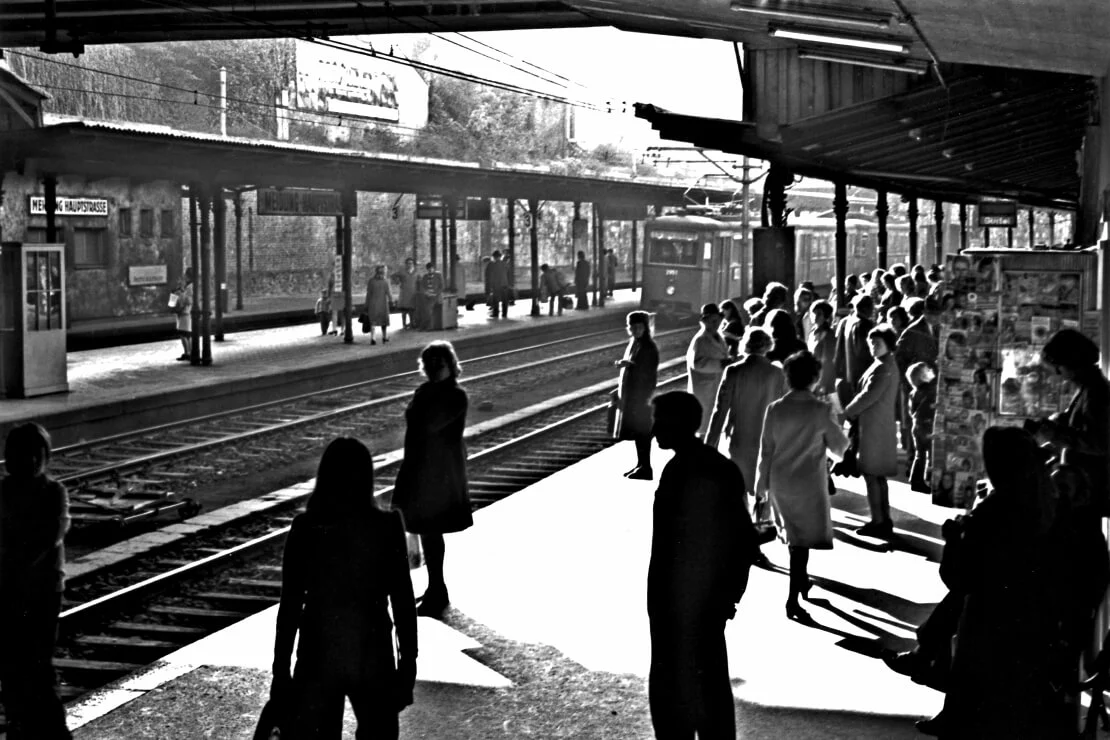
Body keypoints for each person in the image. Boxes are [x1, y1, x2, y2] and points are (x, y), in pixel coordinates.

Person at [928, 427, 1107, 739]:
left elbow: (959, 577)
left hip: (988, 623)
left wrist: (954, 540)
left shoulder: (996, 510)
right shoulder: (1049, 507)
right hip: (1034, 628)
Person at [272, 437, 417, 739]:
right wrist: (408, 665)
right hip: (372, 650)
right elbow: (403, 600)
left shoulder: (305, 527)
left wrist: (281, 671)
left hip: (317, 652)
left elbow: (290, 605)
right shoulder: (387, 526)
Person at [647, 391, 759, 740]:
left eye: (659, 421)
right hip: (705, 599)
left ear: (678, 423)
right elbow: (743, 539)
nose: (654, 430)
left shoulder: (682, 471)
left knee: (675, 689)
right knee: (708, 682)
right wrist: (730, 596)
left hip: (679, 600)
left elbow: (734, 539)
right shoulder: (718, 467)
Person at [755, 351, 849, 622]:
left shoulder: (775, 409)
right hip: (808, 483)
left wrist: (761, 486)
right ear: (815, 378)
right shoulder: (821, 409)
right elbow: (839, 449)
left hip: (780, 482)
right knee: (802, 543)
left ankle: (800, 584)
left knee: (793, 540)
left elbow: (766, 451)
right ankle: (793, 598)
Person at [0, 423, 72, 740]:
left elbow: (45, 540)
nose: (27, 460)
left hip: (38, 591)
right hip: (23, 590)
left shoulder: (53, 493)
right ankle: (27, 726)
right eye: (21, 453)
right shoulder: (47, 493)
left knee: (33, 665)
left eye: (33, 454)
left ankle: (48, 730)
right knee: (20, 665)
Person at [391, 341, 471, 617]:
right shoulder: (426, 391)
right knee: (426, 529)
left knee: (432, 529)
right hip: (420, 467)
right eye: (429, 364)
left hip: (440, 472)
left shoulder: (455, 396)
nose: (434, 369)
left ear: (451, 365)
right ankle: (434, 588)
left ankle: (438, 588)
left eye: (440, 364)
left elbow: (427, 424)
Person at [706, 327, 785, 536]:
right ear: (768, 345)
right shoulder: (778, 373)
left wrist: (709, 444)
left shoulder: (733, 371)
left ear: (746, 345)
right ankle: (761, 531)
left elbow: (720, 410)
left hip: (740, 438)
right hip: (770, 440)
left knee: (739, 487)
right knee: (764, 487)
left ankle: (742, 533)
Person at [1033, 328, 1110, 513]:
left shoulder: (1096, 393)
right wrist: (1060, 420)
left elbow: (1100, 442)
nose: (1059, 374)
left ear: (1071, 362)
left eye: (1059, 368)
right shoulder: (1087, 388)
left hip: (1088, 490)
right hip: (1082, 486)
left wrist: (1056, 434)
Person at [843, 324, 900, 538]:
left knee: (872, 475)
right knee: (877, 476)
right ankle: (882, 518)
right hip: (876, 426)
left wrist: (848, 412)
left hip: (874, 427)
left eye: (877, 343)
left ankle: (878, 520)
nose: (872, 346)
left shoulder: (883, 367)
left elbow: (869, 395)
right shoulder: (883, 363)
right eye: (871, 342)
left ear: (888, 344)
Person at [614, 311, 659, 480]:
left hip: (642, 397)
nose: (635, 330)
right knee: (639, 433)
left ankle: (646, 467)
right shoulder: (636, 343)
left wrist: (630, 366)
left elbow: (648, 373)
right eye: (632, 327)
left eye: (639, 327)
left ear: (645, 328)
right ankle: (641, 465)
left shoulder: (648, 347)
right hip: (634, 396)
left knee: (642, 432)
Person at [685, 303, 730, 439]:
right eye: (713, 321)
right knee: (704, 424)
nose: (716, 324)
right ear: (705, 322)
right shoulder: (700, 340)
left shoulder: (717, 336)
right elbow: (697, 364)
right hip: (704, 387)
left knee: (711, 422)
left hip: (714, 383)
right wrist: (721, 363)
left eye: (718, 321)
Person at [833, 293, 875, 403]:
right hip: (863, 371)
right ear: (867, 308)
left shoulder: (848, 322)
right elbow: (863, 351)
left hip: (851, 372)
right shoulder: (864, 324)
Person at [906, 362, 937, 493]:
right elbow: (926, 409)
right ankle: (924, 480)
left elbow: (911, 411)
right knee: (929, 455)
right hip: (926, 427)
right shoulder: (929, 391)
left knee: (920, 455)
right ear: (922, 377)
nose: (931, 372)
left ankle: (915, 480)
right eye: (928, 371)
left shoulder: (914, 392)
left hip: (917, 427)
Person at [808, 300, 837, 399]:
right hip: (813, 376)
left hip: (824, 378)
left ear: (826, 316)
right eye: (814, 313)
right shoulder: (812, 332)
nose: (815, 316)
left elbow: (828, 360)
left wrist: (822, 382)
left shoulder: (829, 334)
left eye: (819, 314)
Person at [363, 265, 392, 345]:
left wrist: (366, 305)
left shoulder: (371, 281)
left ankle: (373, 338)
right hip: (383, 304)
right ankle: (384, 337)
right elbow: (389, 293)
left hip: (373, 304)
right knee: (384, 321)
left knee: (373, 321)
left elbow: (368, 294)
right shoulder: (386, 281)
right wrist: (391, 301)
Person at [172, 267, 194, 361]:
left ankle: (188, 353)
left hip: (185, 312)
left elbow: (187, 300)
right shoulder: (189, 286)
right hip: (185, 312)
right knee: (186, 333)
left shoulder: (189, 287)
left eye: (185, 275)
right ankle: (189, 352)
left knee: (183, 334)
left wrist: (178, 293)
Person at [417, 262, 444, 331]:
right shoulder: (425, 276)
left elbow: (442, 287)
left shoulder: (438, 275)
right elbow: (422, 286)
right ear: (427, 269)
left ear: (434, 268)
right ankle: (425, 326)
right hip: (427, 296)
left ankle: (427, 327)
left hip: (435, 297)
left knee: (428, 310)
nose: (430, 270)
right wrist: (425, 292)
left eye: (431, 268)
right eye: (429, 269)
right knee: (422, 309)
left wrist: (436, 293)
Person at [485, 250, 511, 319]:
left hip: (496, 285)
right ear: (500, 256)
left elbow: (488, 276)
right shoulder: (505, 264)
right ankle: (504, 314)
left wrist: (488, 287)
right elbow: (509, 275)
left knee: (495, 300)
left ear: (493, 257)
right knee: (505, 300)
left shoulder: (491, 265)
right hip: (505, 284)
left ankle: (496, 313)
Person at [396, 258, 418, 330]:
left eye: (411, 263)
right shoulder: (402, 272)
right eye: (408, 263)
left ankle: (412, 323)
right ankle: (404, 324)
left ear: (413, 264)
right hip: (404, 293)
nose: (410, 265)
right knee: (404, 310)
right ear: (406, 264)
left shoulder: (416, 272)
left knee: (412, 310)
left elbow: (420, 280)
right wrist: (398, 282)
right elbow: (394, 276)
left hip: (413, 293)